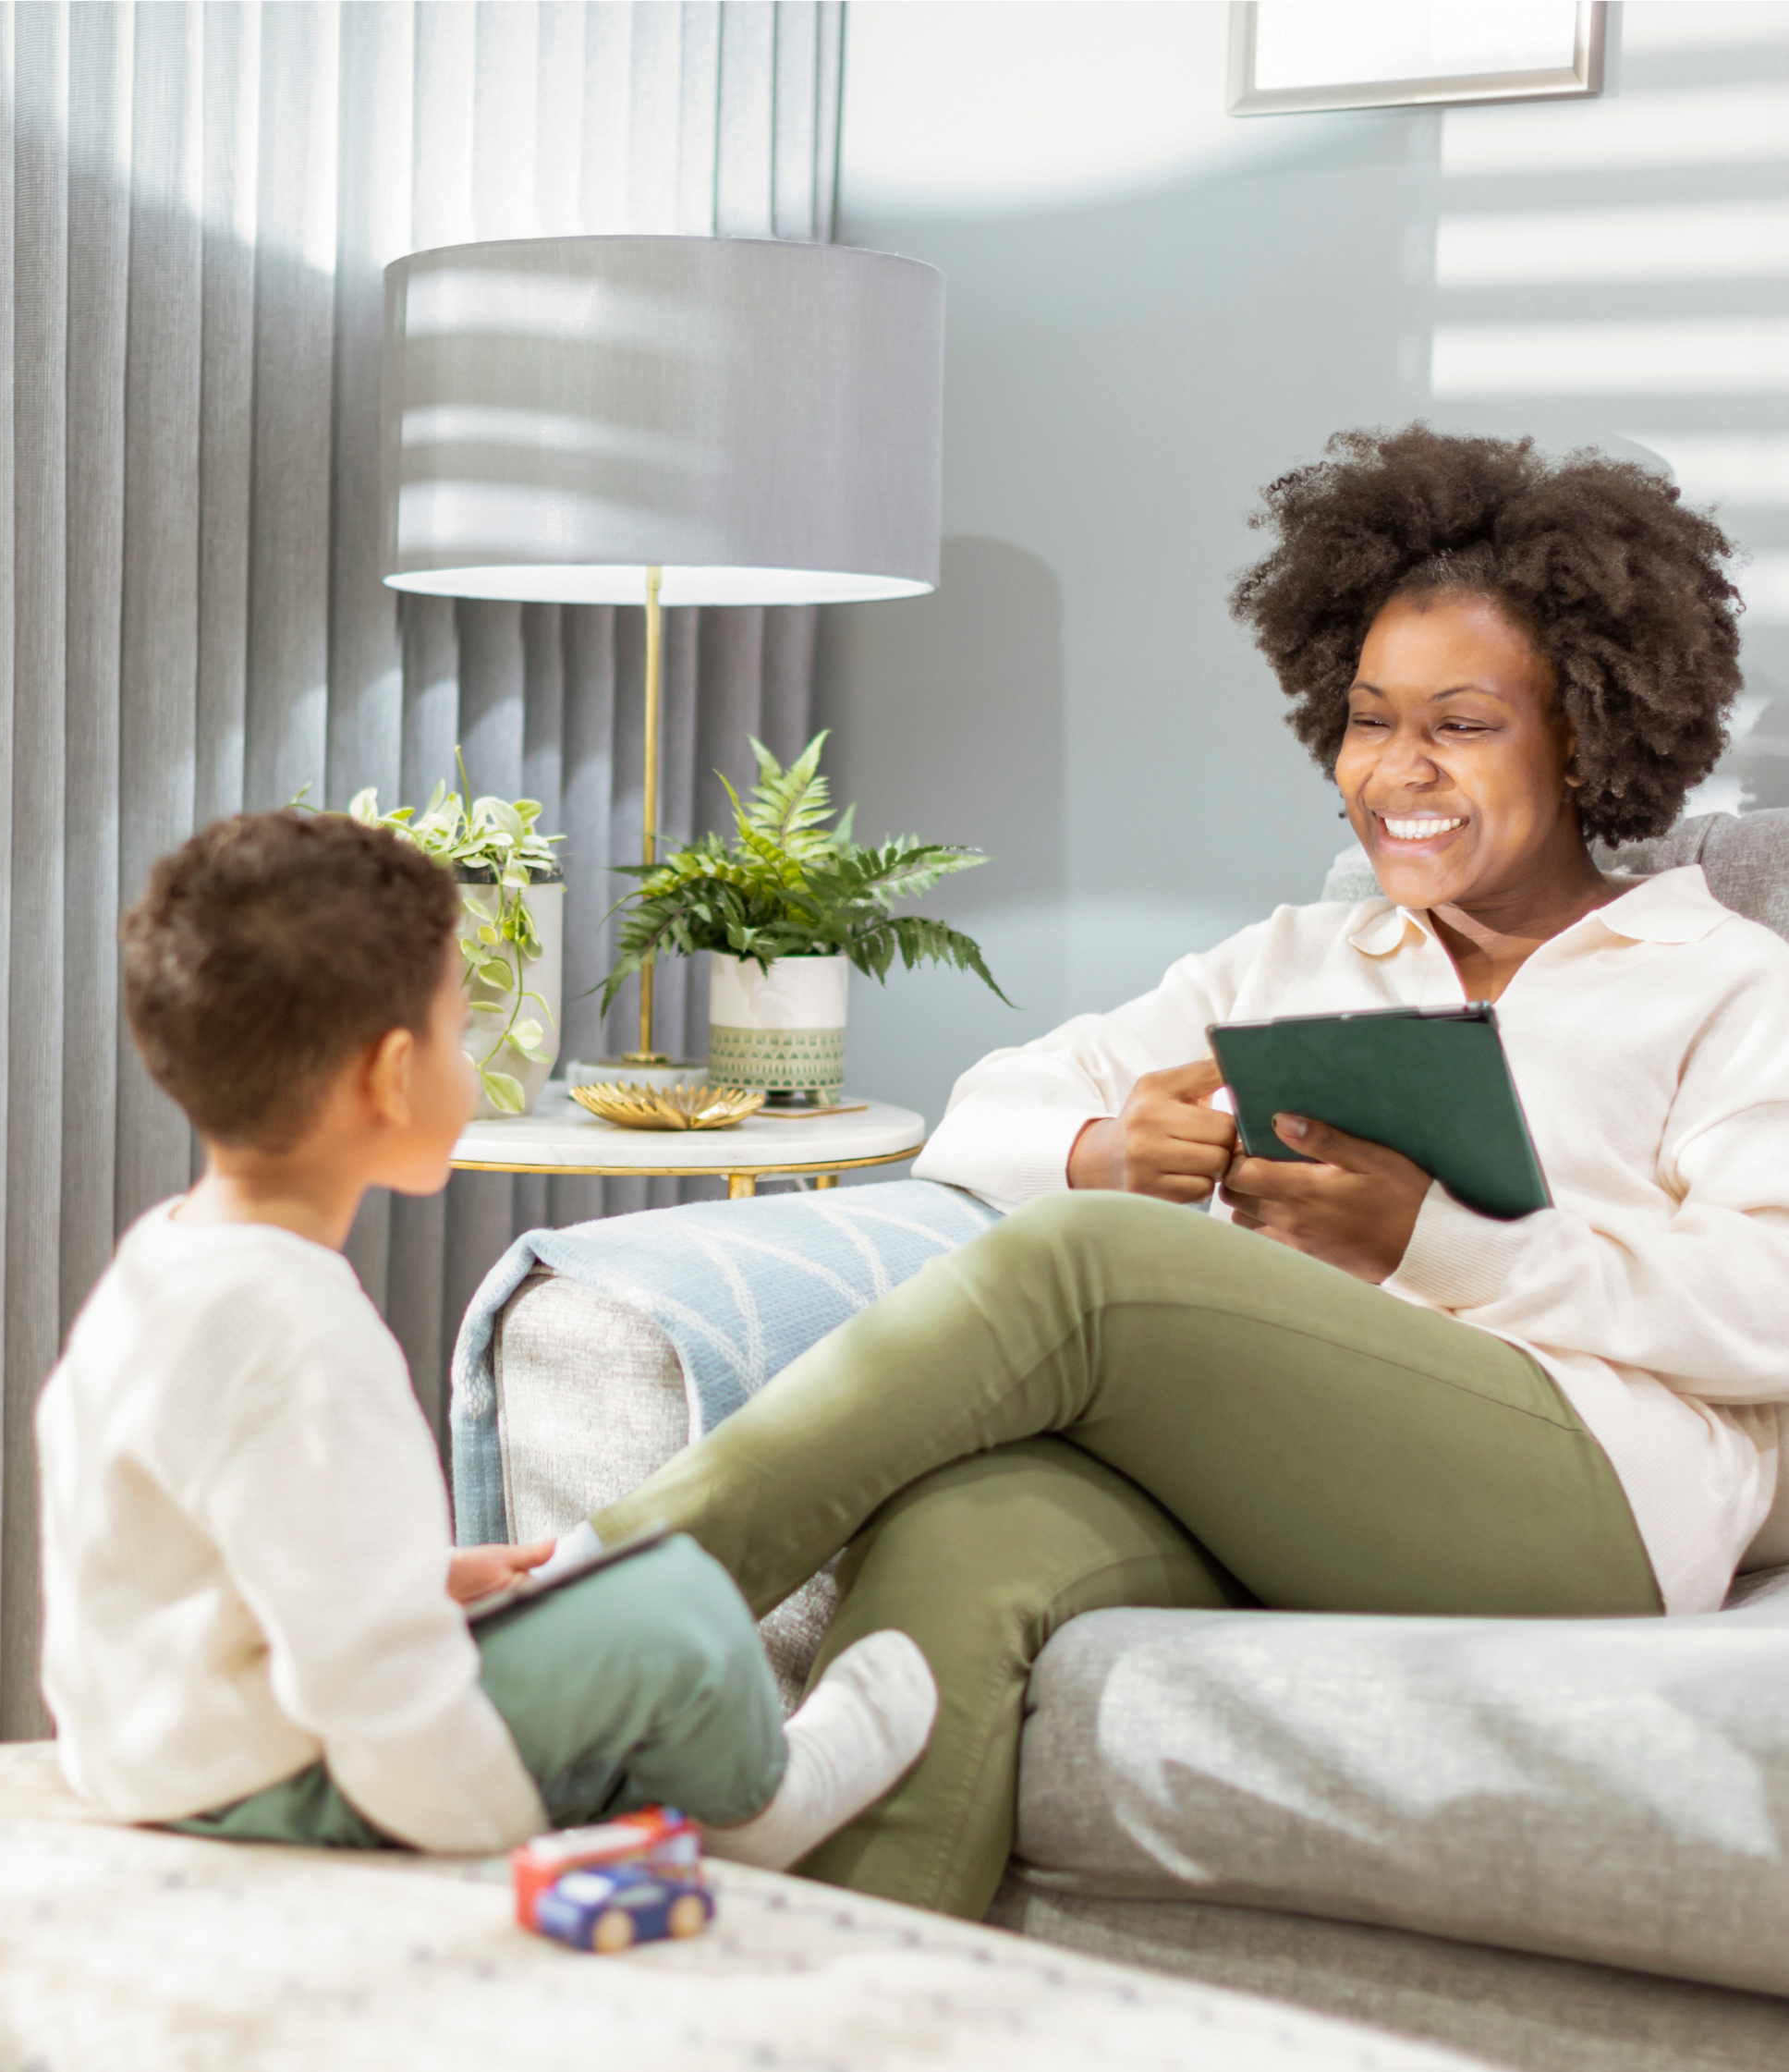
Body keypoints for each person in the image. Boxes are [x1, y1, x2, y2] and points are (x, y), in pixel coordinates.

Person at [554, 425, 1789, 1920]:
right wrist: (1106, 1148)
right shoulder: (1296, 957)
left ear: (1582, 733)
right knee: (965, 1525)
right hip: (1310, 1470)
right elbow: (977, 1118)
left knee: (1087, 1265)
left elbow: (1766, 1300)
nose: (1396, 771)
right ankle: (848, 2022)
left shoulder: (1721, 980)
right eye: (1367, 719)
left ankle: (574, 1623)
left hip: (1596, 1501)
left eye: (1460, 725)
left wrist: (1439, 1241)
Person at [34, 809, 936, 1866]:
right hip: (277, 1788)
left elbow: (191, 1542)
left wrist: (417, 1576)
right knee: (673, 1601)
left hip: (147, 1757)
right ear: (389, 1075)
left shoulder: (161, 1263)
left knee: (566, 1606)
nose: (478, 1066)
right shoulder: (304, 1330)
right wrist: (487, 1832)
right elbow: (380, 1693)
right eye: (464, 1031)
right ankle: (767, 1806)